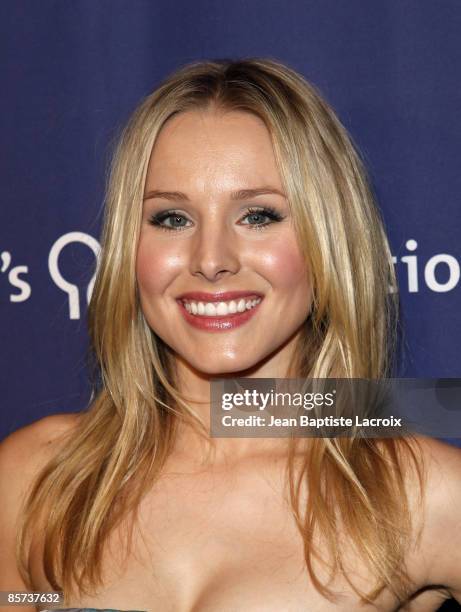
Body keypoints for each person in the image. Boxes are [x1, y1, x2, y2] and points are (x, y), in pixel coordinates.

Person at [1, 58, 460, 612]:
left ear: (328, 238)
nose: (211, 259)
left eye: (259, 215)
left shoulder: (423, 496)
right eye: (172, 218)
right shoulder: (35, 480)